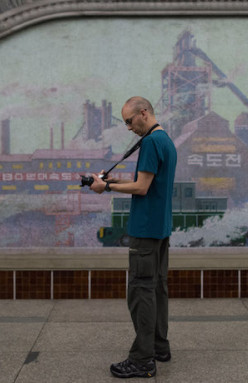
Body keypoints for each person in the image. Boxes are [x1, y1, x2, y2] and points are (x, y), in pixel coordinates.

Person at [89, 96, 177, 379]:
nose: (128, 127)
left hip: (145, 230)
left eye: (129, 121)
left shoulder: (150, 143)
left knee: (141, 293)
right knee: (158, 289)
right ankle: (159, 347)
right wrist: (113, 181)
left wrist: (108, 189)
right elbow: (147, 184)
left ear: (143, 113)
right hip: (160, 228)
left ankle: (142, 360)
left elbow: (141, 188)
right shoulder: (165, 140)